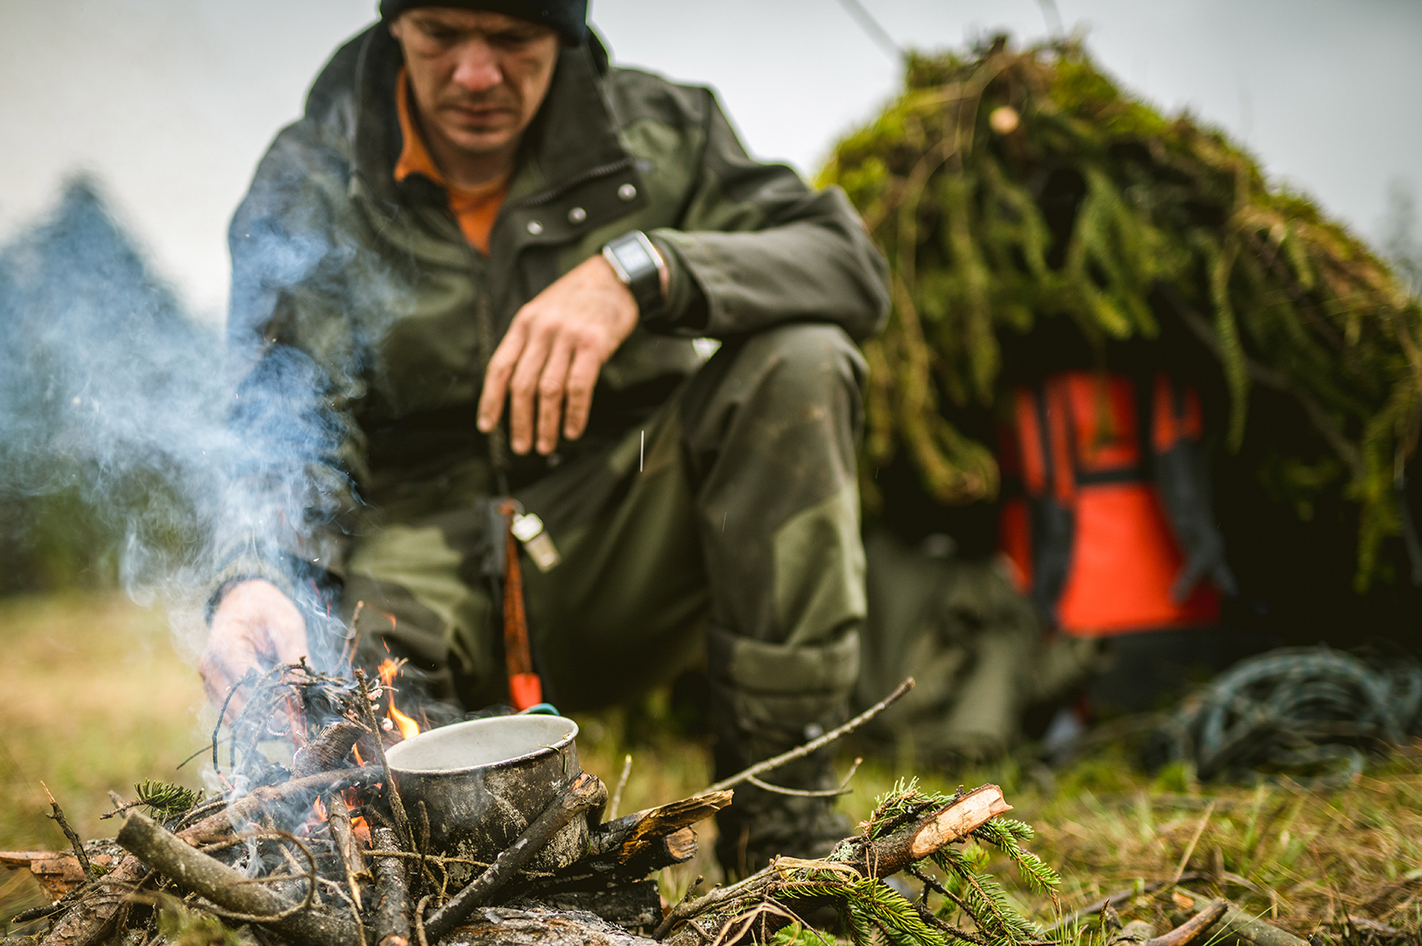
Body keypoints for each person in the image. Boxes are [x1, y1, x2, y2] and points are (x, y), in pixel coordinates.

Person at [198, 0, 888, 877]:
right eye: (443, 34)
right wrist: (258, 571)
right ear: (395, 25)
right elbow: (281, 420)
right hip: (414, 569)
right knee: (365, 743)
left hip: (622, 538)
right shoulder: (312, 178)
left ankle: (785, 828)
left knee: (803, 359)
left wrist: (644, 272)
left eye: (515, 39)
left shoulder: (661, 134)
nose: (477, 75)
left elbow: (847, 263)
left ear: (563, 32)